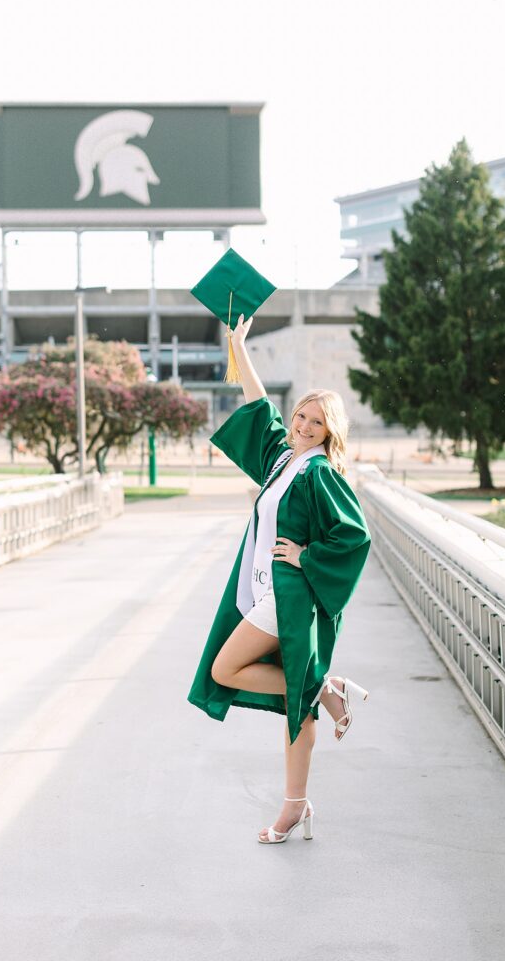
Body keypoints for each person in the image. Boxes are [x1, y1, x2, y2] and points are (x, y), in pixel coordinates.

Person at [187, 313, 372, 844]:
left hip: (290, 597)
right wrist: (238, 345)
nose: (303, 425)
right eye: (301, 416)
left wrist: (306, 555)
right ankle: (296, 803)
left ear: (330, 430)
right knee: (294, 701)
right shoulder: (282, 459)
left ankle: (318, 689)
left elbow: (354, 537)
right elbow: (257, 402)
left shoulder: (319, 472)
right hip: (268, 591)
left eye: (316, 422)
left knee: (226, 668)